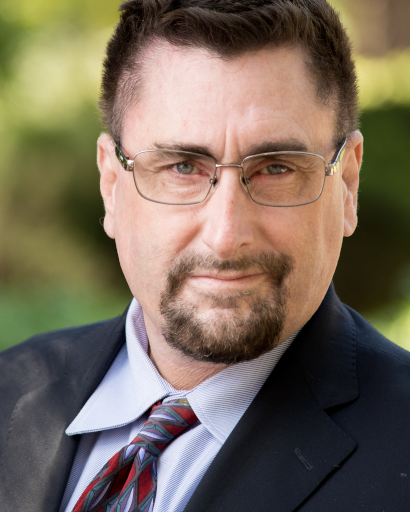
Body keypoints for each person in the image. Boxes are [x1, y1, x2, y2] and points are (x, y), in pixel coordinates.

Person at [1, 0, 410, 510]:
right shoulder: (9, 390)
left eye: (276, 168)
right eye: (182, 167)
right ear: (111, 185)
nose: (225, 235)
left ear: (347, 184)